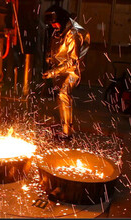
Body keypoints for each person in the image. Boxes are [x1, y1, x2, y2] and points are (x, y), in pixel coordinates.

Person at [42, 5, 90, 137]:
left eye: (55, 23)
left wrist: (53, 72)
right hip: (60, 68)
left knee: (64, 94)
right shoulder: (58, 29)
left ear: (62, 20)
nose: (54, 26)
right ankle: (65, 126)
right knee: (60, 96)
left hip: (73, 70)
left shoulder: (73, 34)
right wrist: (49, 57)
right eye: (52, 24)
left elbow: (72, 61)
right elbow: (55, 48)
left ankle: (67, 132)